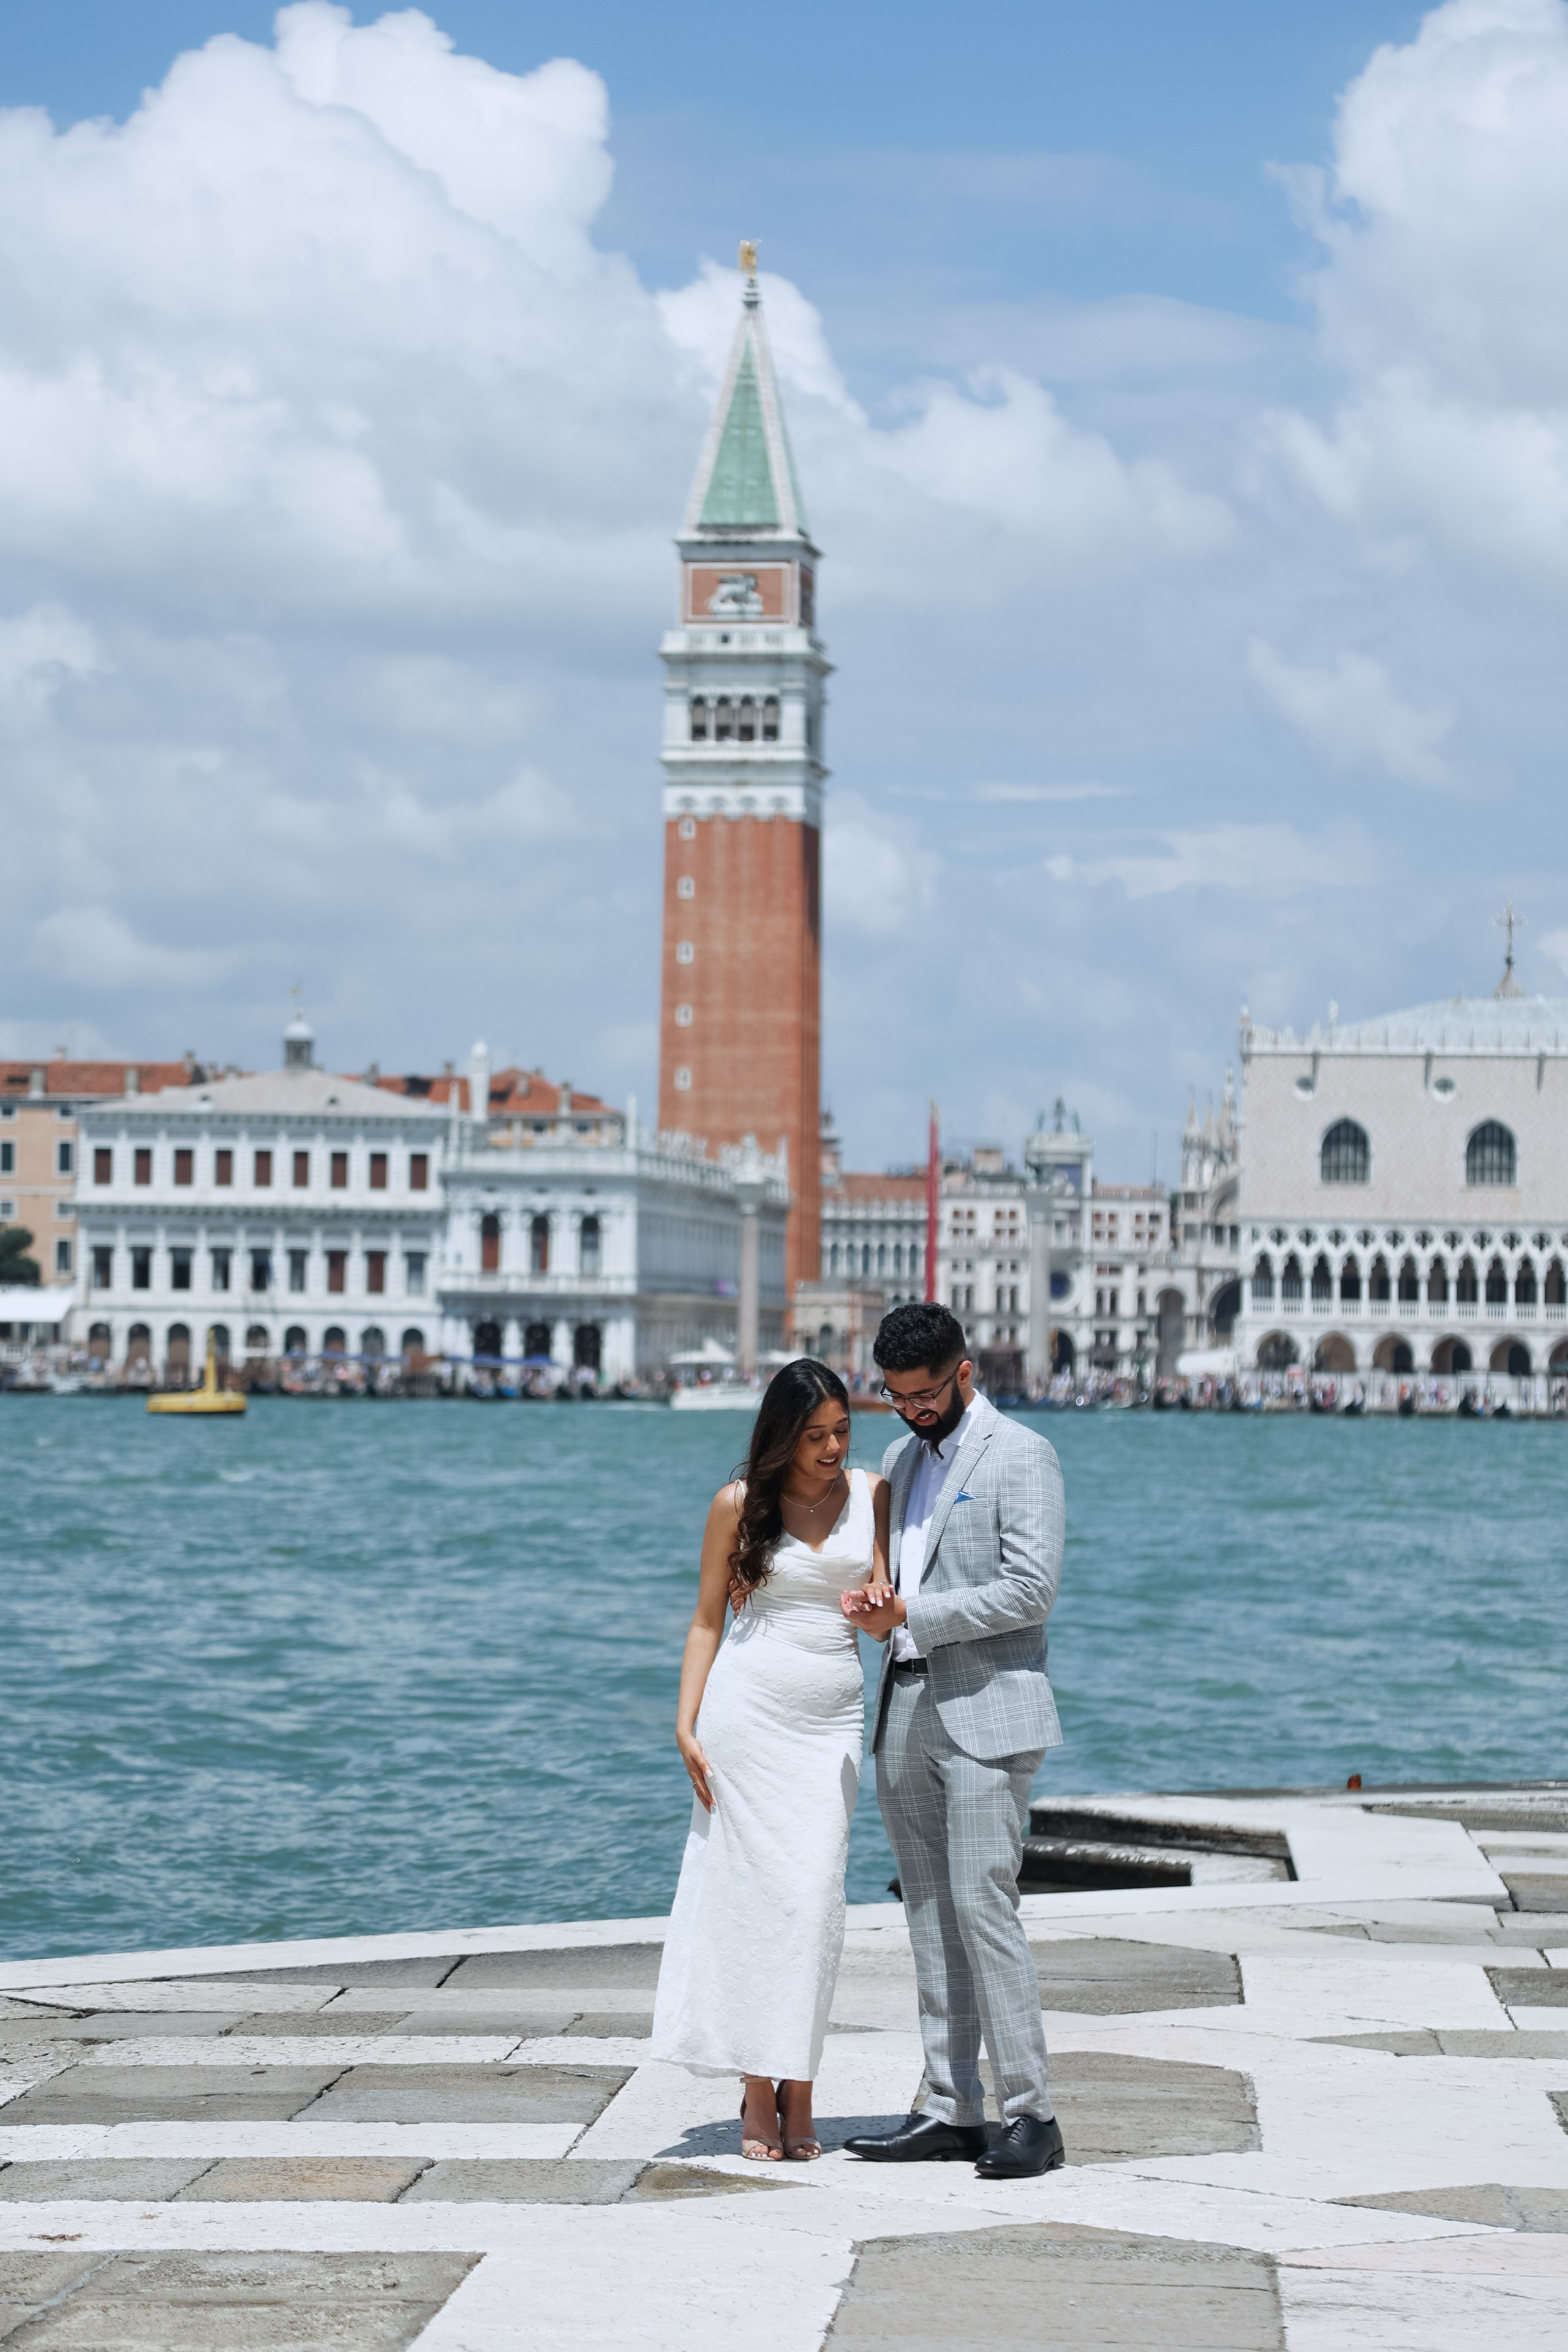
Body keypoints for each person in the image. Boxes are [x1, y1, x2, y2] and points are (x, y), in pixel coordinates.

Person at [840, 1301, 1065, 2179]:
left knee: (984, 1906)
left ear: (965, 1373)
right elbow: (895, 1574)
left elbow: (1031, 1590)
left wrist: (917, 1616)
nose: (912, 1411)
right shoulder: (898, 1457)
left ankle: (1031, 2114)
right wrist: (876, 1606)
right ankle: (949, 2105)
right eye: (897, 1397)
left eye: (925, 1395)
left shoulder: (1022, 1454)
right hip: (904, 1706)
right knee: (928, 1913)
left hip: (988, 1710)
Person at [650, 1359, 890, 2161]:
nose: (831, 1449)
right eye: (814, 1435)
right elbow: (706, 1622)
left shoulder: (871, 1495)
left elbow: (884, 1624)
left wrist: (879, 1614)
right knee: (753, 1903)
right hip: (745, 1719)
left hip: (830, 1722)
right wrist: (684, 1722)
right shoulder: (737, 1506)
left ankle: (804, 2083)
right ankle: (761, 2089)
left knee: (814, 1901)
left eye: (841, 1432)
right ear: (782, 1435)